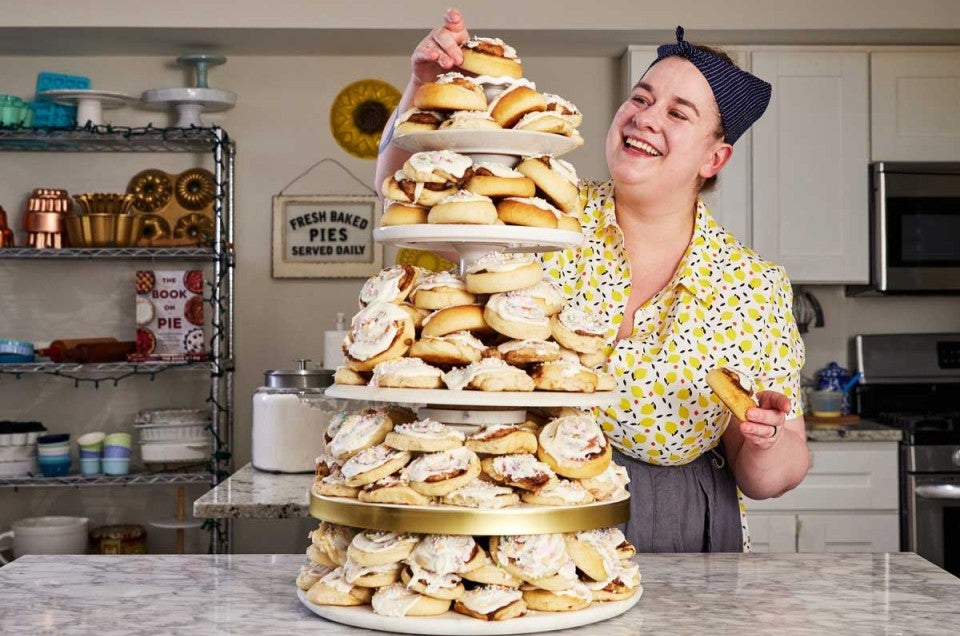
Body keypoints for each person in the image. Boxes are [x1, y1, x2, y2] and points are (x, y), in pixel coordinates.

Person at [375, 9, 809, 552]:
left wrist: (767, 443)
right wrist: (425, 84)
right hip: (526, 502)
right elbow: (400, 192)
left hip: (678, 517)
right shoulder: (541, 212)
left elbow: (771, 476)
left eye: (679, 113)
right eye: (642, 98)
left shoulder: (752, 285)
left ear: (714, 157)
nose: (646, 117)